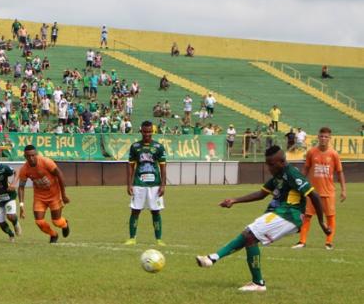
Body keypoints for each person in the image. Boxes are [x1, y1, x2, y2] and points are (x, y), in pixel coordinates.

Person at [196, 146, 330, 291]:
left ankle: (258, 283)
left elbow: (314, 196)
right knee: (248, 236)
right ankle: (213, 258)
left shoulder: (292, 174)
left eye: (271, 164)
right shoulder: (278, 175)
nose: (268, 168)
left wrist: (321, 222)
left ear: (282, 162)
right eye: (267, 164)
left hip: (290, 215)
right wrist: (234, 200)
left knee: (250, 235)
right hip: (281, 213)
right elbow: (261, 194)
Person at [293, 127, 346, 249]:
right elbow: (306, 169)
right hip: (312, 192)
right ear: (318, 137)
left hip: (328, 192)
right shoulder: (311, 152)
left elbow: (340, 172)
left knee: (330, 217)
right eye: (321, 136)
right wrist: (299, 184)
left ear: (329, 138)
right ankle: (302, 241)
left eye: (326, 137)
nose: (323, 138)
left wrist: (343, 190)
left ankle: (329, 242)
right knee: (307, 216)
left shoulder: (333, 154)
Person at [12, 145, 70, 243]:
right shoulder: (24, 169)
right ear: (25, 156)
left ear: (36, 154)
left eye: (33, 155)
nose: (31, 158)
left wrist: (63, 195)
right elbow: (21, 187)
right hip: (39, 197)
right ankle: (53, 235)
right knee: (39, 221)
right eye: (28, 156)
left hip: (54, 195)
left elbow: (59, 174)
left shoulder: (46, 162)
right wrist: (21, 205)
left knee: (56, 221)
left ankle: (65, 224)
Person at [125, 121, 167, 246]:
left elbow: (163, 167)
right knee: (135, 210)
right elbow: (130, 166)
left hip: (155, 184)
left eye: (149, 132)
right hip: (139, 184)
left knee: (155, 211)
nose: (147, 134)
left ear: (152, 132)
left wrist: (163, 185)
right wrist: (129, 184)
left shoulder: (159, 147)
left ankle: (159, 239)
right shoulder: (135, 147)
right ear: (141, 131)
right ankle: (132, 238)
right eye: (145, 131)